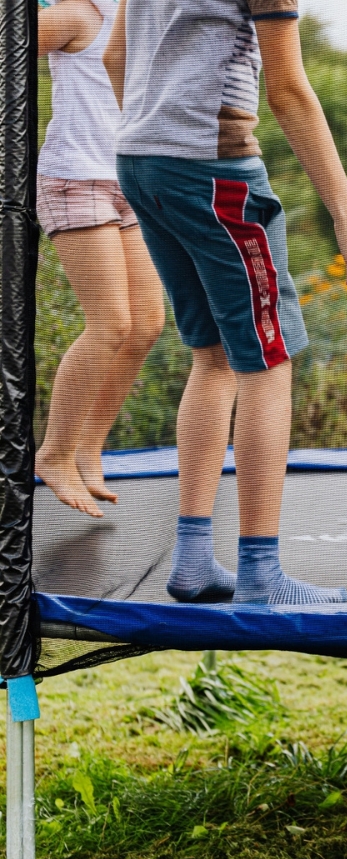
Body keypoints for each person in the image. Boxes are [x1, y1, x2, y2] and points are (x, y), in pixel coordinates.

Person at [103, 0, 347, 604]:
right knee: (269, 358)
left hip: (140, 160)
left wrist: (156, 124)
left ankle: (193, 561)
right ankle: (262, 573)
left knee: (211, 355)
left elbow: (113, 54)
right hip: (214, 171)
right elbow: (288, 90)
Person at [34, 0, 165, 519]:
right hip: (75, 181)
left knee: (147, 323)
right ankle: (55, 453)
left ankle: (88, 445)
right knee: (110, 323)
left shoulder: (142, 13)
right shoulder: (75, 15)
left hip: (126, 181)